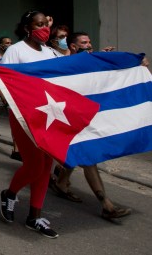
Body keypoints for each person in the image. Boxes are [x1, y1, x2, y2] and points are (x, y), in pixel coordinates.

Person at [47, 31, 131, 220]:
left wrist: (134, 63)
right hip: (68, 119)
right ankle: (106, 205)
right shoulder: (65, 65)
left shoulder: (92, 61)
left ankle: (61, 182)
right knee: (89, 159)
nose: (89, 44)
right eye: (84, 42)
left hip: (86, 119)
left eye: (90, 41)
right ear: (74, 47)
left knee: (76, 153)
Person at [0, 10, 61, 238]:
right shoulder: (16, 51)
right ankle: (10, 193)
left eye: (46, 23)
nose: (44, 28)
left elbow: (74, 70)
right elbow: (4, 81)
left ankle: (35, 216)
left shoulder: (51, 52)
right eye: (39, 24)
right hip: (25, 116)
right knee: (34, 164)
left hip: (50, 116)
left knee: (46, 165)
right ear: (27, 28)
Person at [0, 37, 21, 161]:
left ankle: (16, 149)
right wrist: (0, 93)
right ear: (0, 45)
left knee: (14, 121)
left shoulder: (14, 58)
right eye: (6, 43)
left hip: (11, 95)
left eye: (11, 43)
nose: (9, 45)